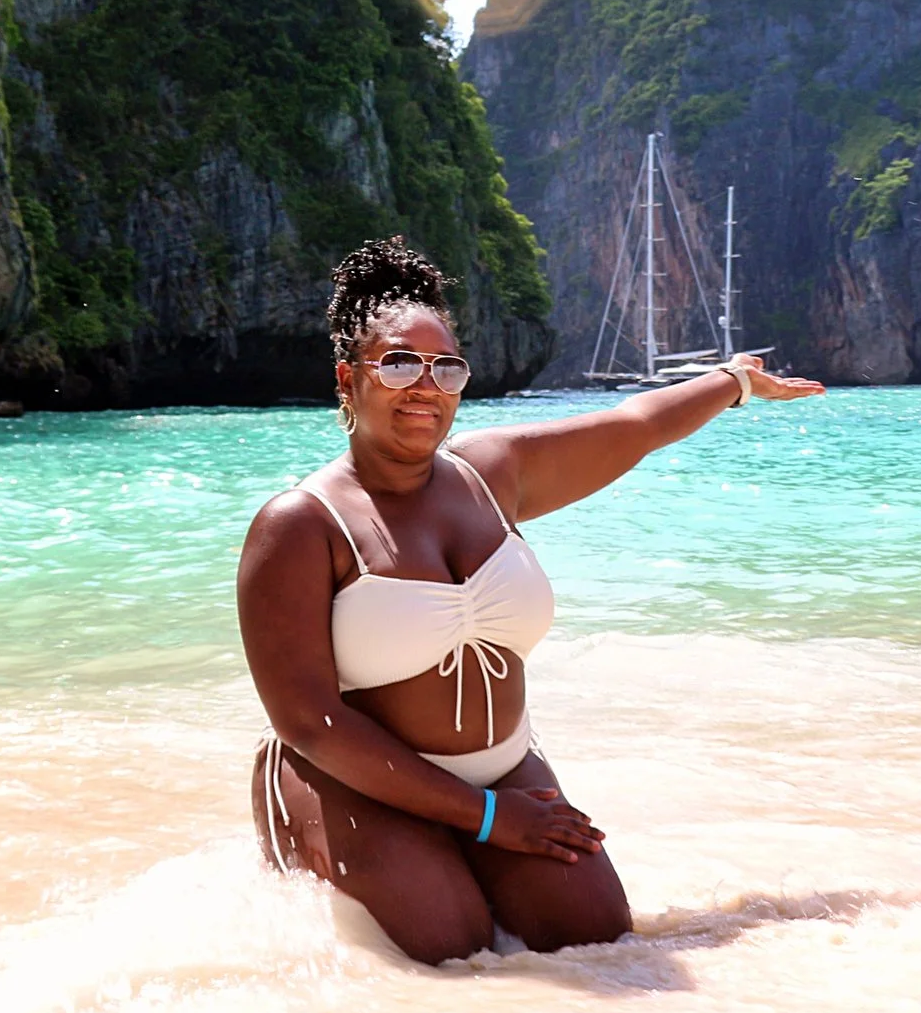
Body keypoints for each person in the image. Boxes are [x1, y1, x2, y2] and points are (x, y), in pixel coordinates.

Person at [236, 236, 824, 962]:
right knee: (447, 946)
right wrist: (488, 818)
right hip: (351, 775)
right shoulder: (301, 524)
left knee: (596, 936)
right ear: (347, 379)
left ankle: (465, 852)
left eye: (445, 366)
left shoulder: (492, 474)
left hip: (500, 766)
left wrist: (734, 380)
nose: (425, 384)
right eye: (398, 362)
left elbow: (635, 427)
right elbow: (310, 722)